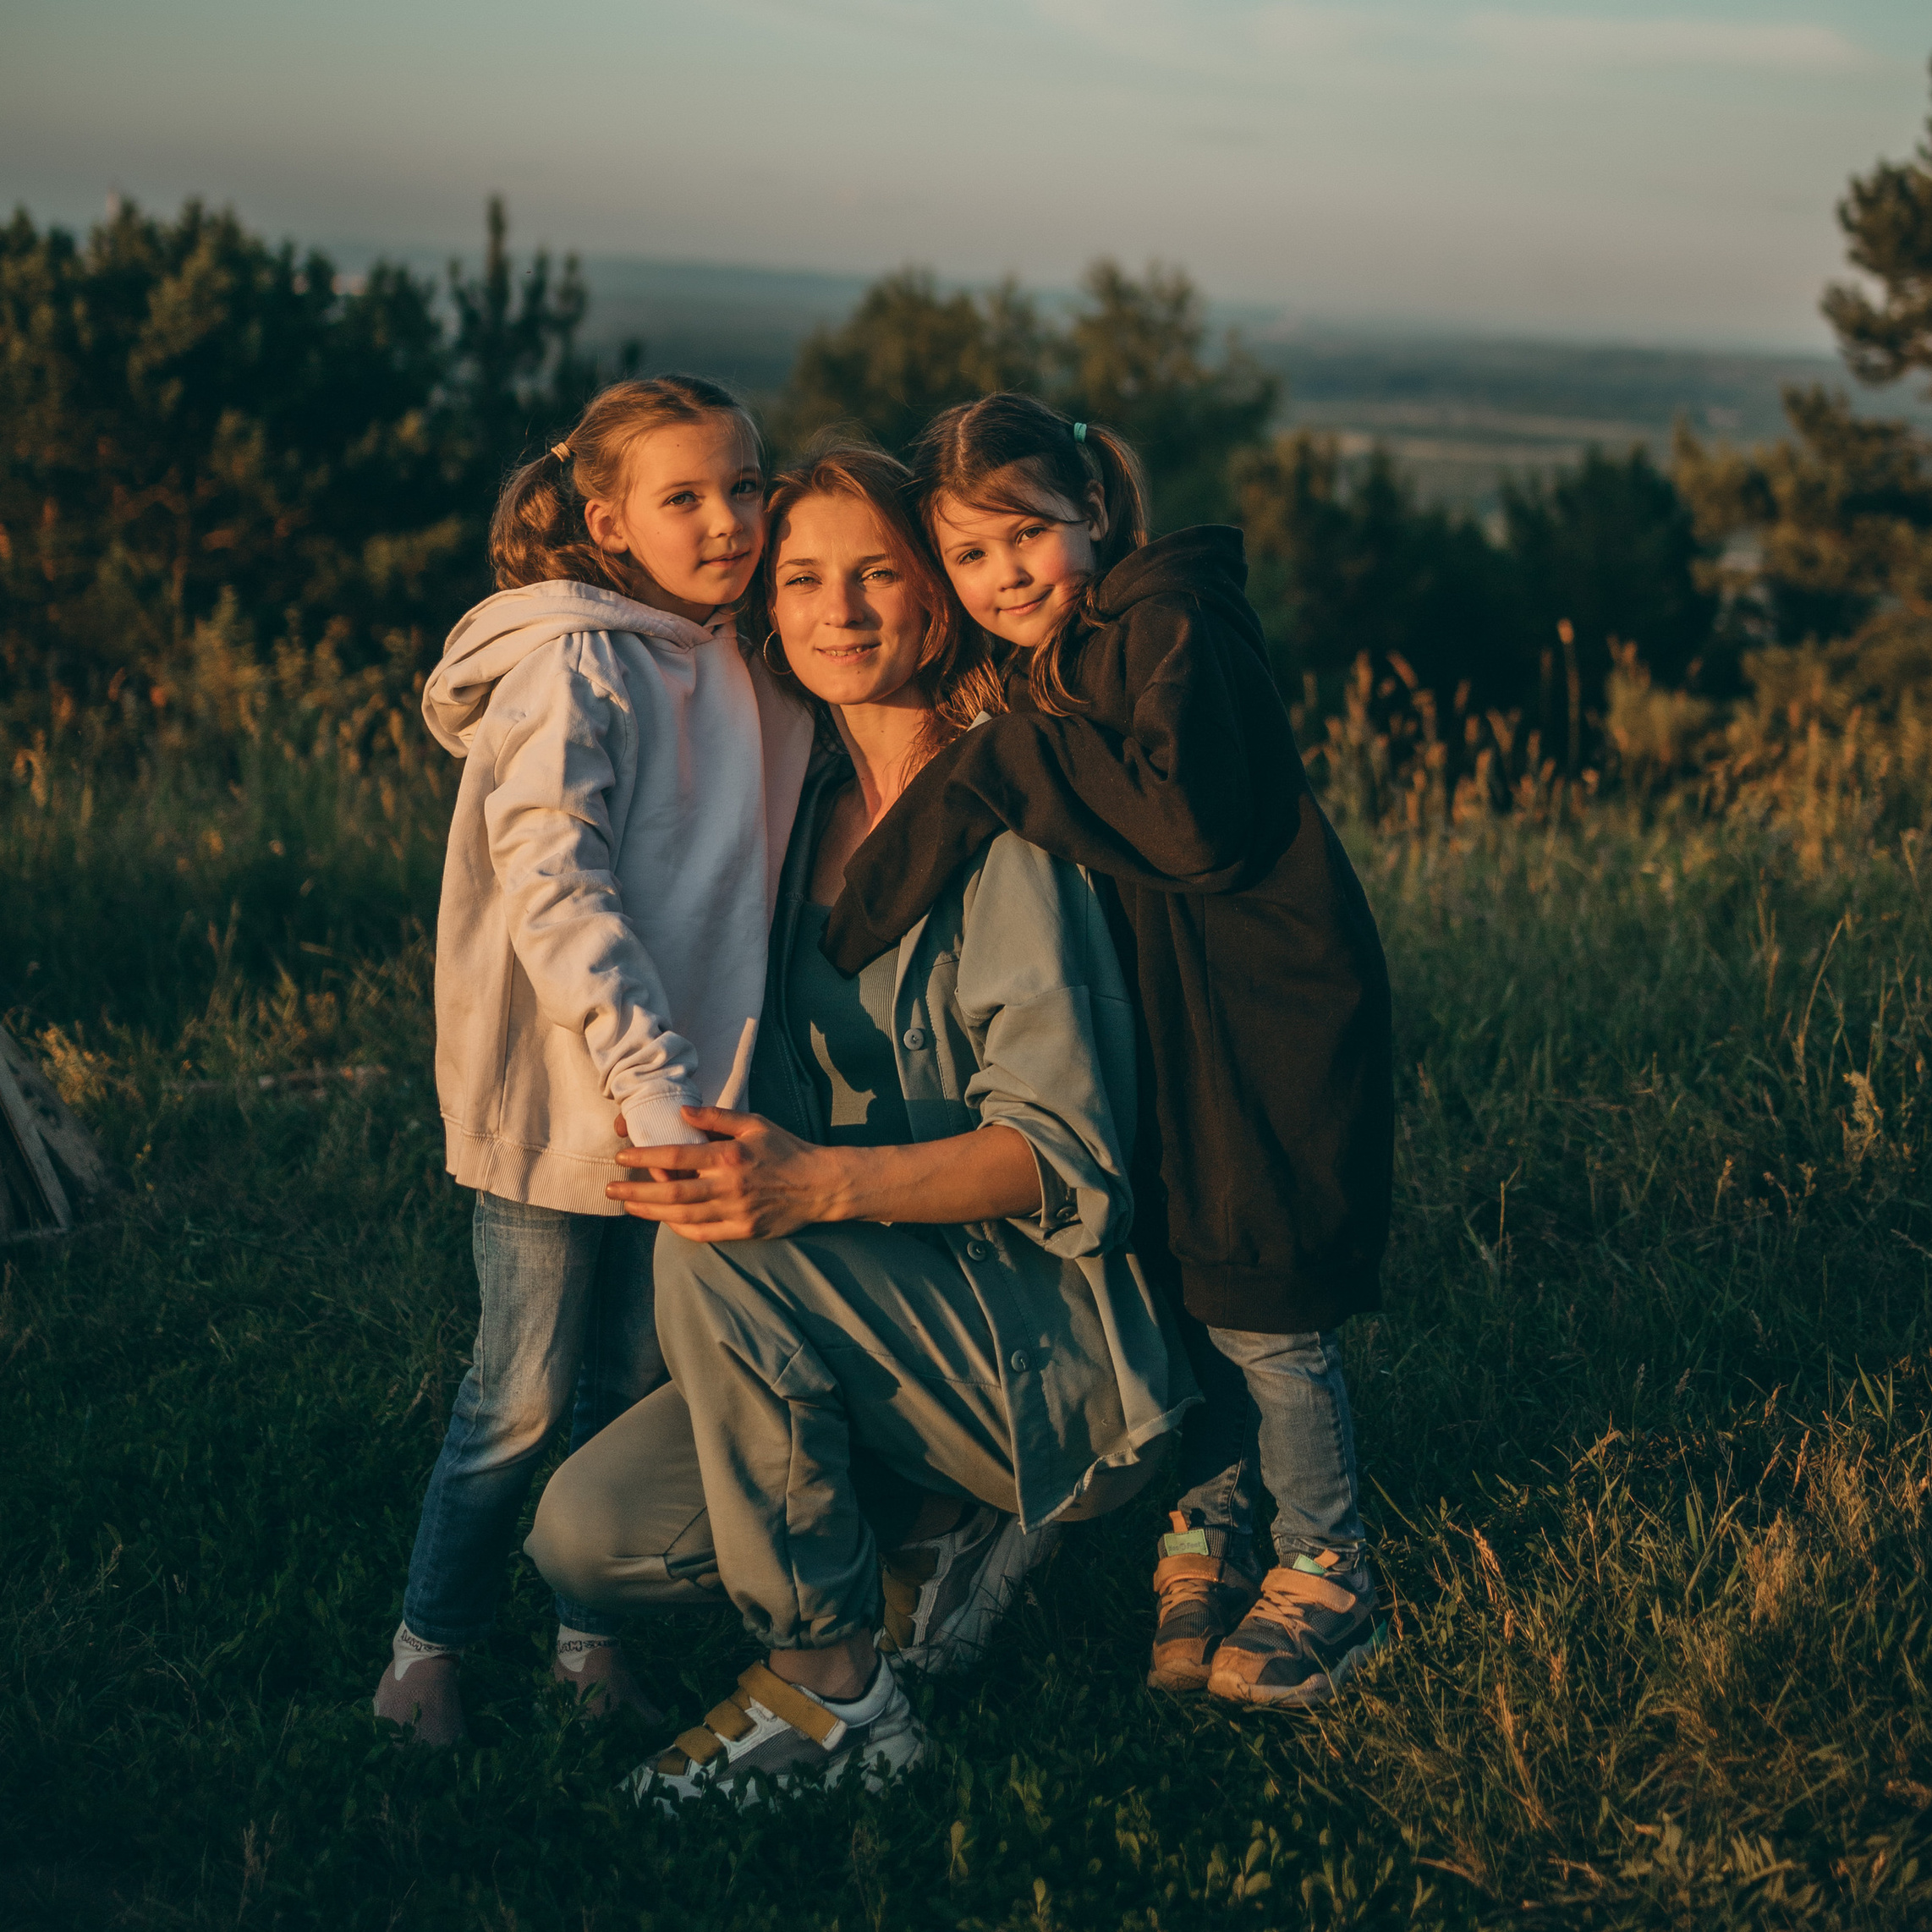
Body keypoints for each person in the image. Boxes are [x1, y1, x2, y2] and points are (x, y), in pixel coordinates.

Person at [524, 445, 1195, 1803]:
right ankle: (924, 1538)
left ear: (937, 602)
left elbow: (1070, 1162)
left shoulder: (1004, 823)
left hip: (1044, 1339)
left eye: (876, 573)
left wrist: (813, 1185)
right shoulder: (792, 810)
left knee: (727, 1244)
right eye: (803, 578)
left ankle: (833, 1691)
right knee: (582, 1535)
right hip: (856, 1309)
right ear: (768, 607)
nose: (837, 610)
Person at [820, 393, 1395, 1710]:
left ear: (1097, 508)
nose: (1005, 571)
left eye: (1030, 531)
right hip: (1182, 1014)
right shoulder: (1073, 654)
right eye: (970, 554)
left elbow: (1188, 825)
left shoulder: (1169, 623)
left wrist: (1003, 759)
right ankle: (1211, 1528)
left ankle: (1331, 1564)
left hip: (1268, 1013)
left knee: (1262, 1297)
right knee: (1183, 1270)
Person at [370, 376, 813, 1745]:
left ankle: (586, 1644)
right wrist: (644, 1085)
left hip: (692, 1109)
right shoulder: (576, 664)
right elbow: (558, 890)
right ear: (608, 521)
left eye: (744, 486)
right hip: (568, 1105)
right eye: (684, 497)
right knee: (522, 1390)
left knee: (631, 1387)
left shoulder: (739, 661)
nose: (730, 520)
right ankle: (427, 1649)